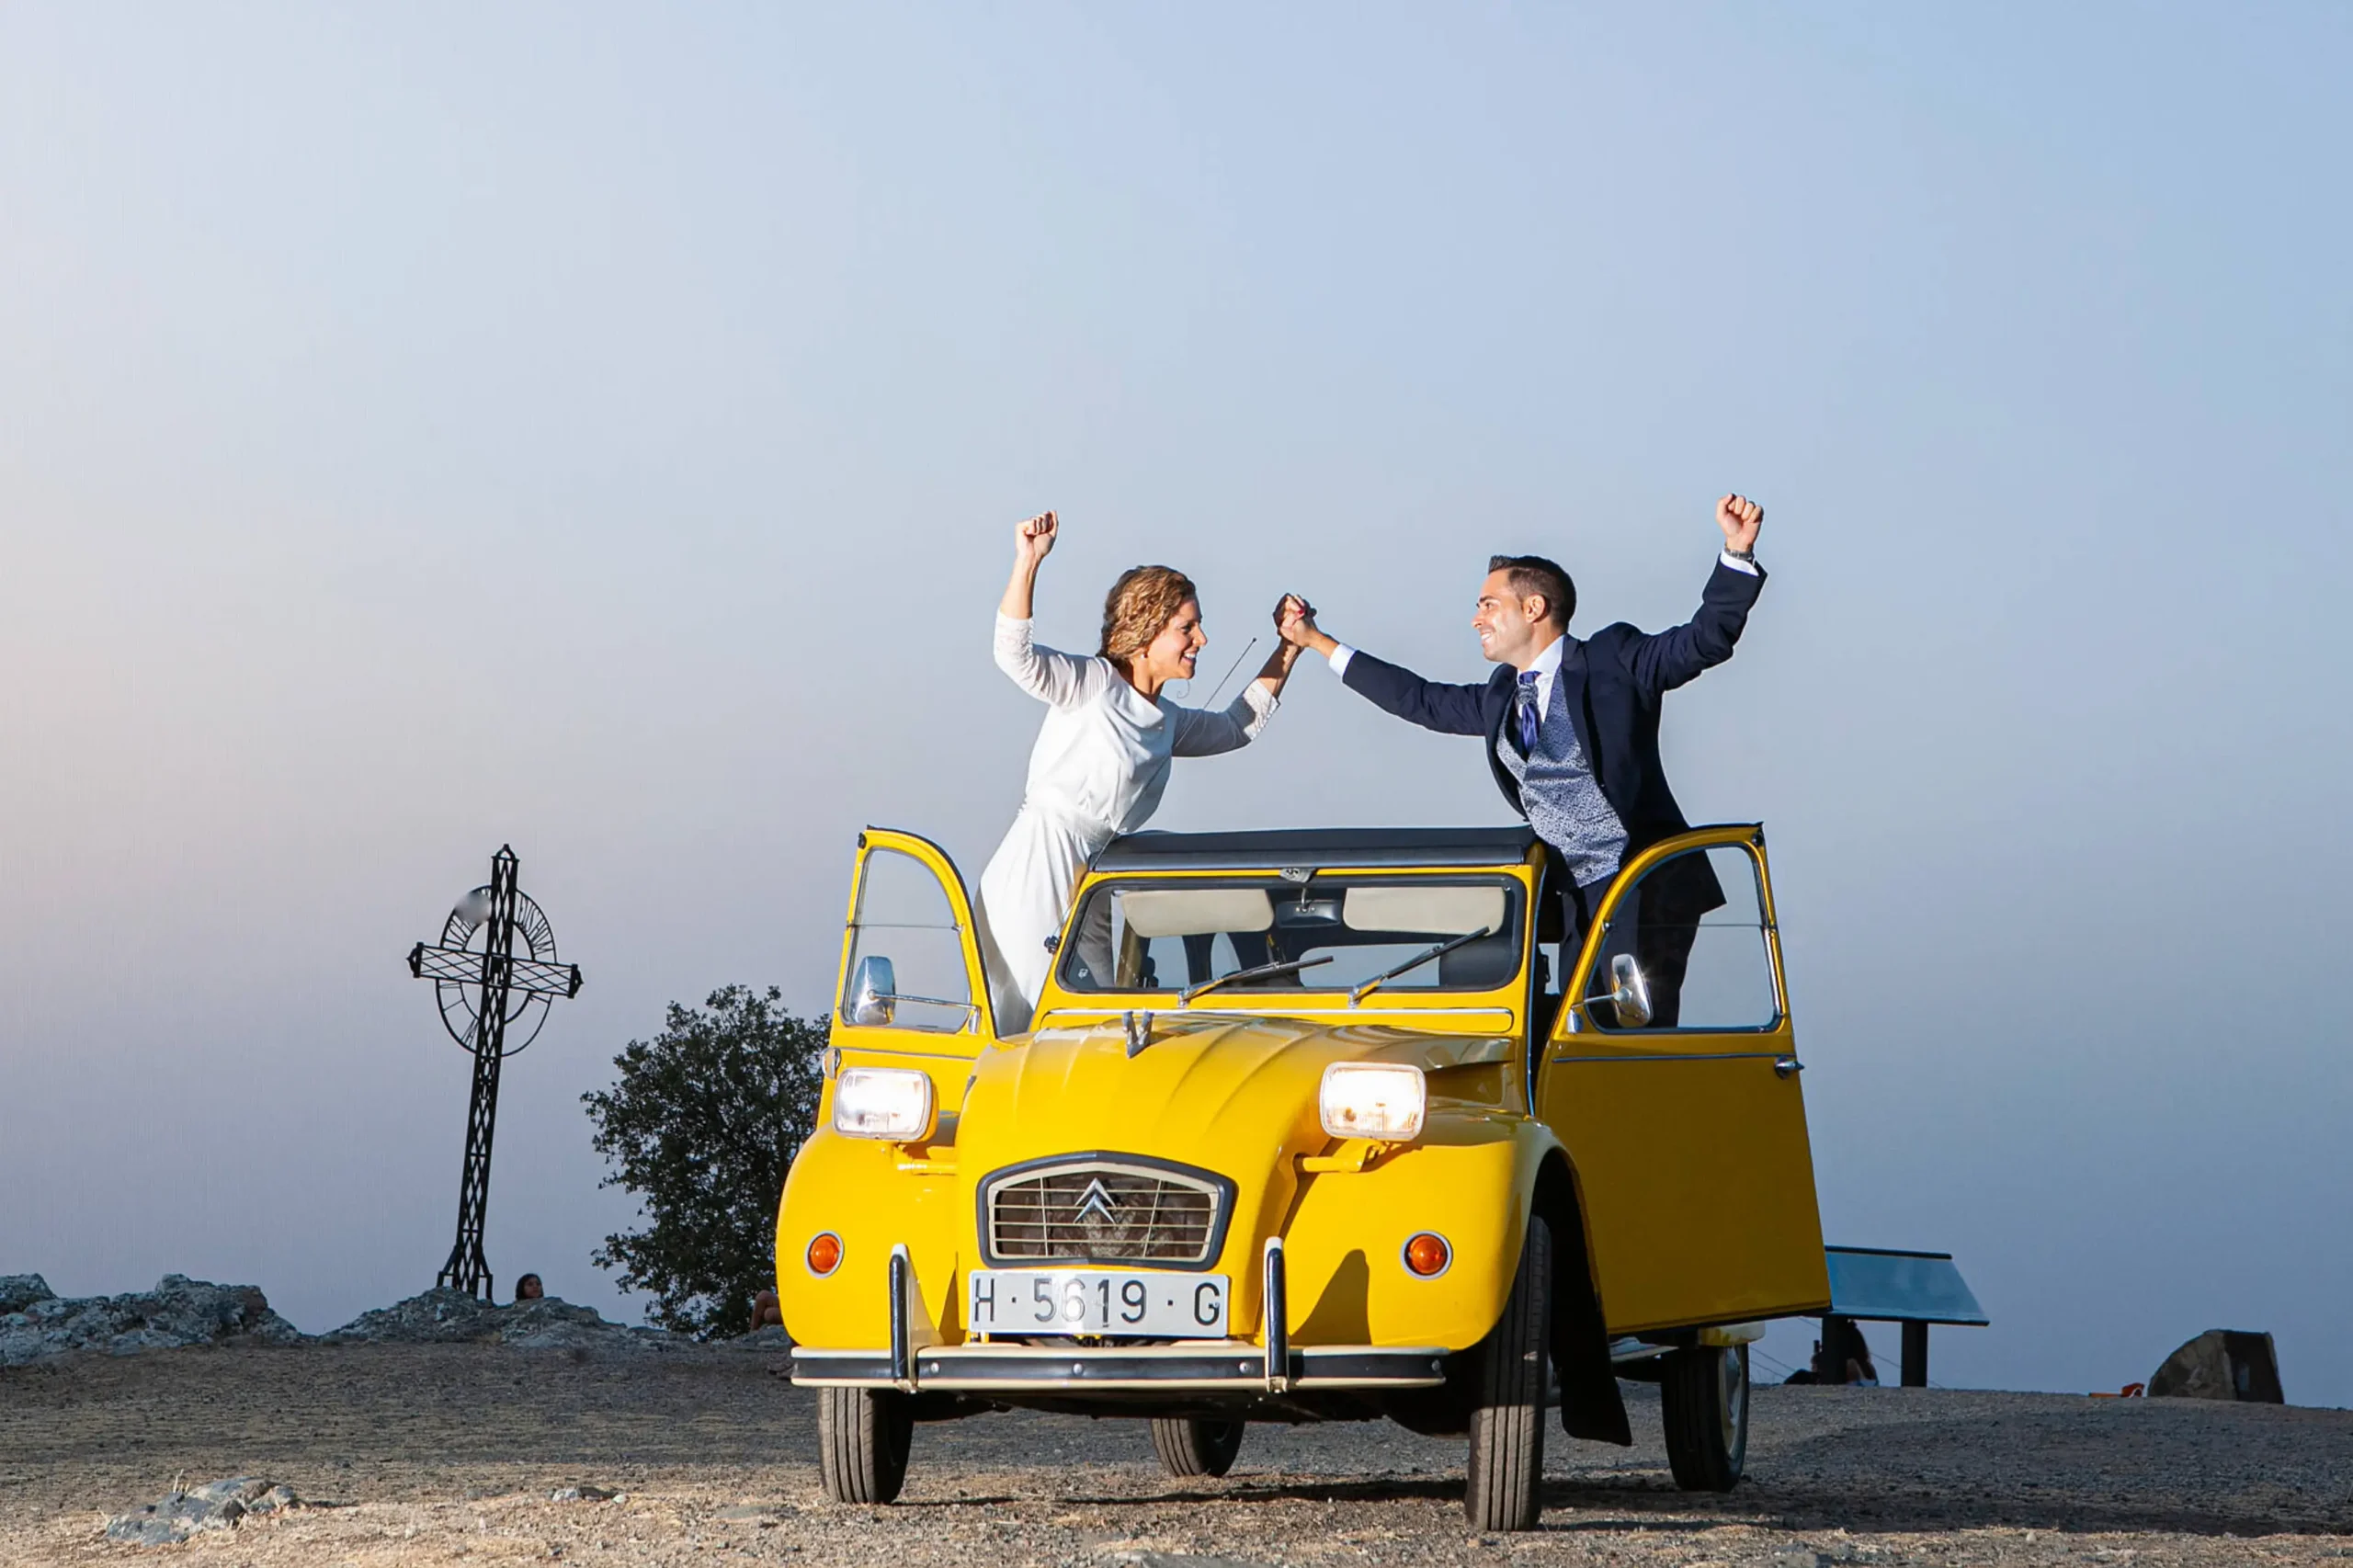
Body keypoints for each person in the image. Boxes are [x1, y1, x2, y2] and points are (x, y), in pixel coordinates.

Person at [1279, 496, 1768, 1022]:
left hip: (1645, 884)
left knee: (1627, 1039)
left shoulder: (1614, 659)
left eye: (1488, 604)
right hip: (1576, 896)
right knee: (1572, 1031)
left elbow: (1701, 642)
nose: (1475, 619)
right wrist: (1317, 642)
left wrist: (1736, 553)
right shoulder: (1501, 698)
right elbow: (1418, 699)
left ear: (1533, 609)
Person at [976, 512, 1304, 1030]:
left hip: (1095, 889)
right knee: (1026, 1030)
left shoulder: (1168, 721)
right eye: (1187, 627)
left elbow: (1235, 728)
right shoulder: (1092, 683)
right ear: (1147, 633)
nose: (1202, 638)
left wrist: (1289, 649)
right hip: (1036, 874)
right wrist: (1029, 560)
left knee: (1100, 1032)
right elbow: (1012, 656)